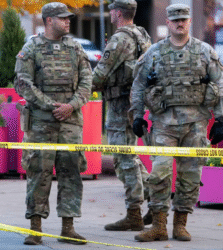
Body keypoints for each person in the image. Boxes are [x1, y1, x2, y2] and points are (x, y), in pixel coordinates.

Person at [130, 4, 223, 242]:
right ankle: (159, 225)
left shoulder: (205, 51)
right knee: (160, 173)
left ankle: (180, 224)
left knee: (190, 176)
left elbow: (220, 85)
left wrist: (221, 119)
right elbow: (139, 85)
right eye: (175, 20)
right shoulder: (154, 53)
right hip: (163, 123)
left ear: (189, 22)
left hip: (196, 124)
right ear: (169, 23)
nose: (179, 23)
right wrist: (138, 115)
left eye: (183, 19)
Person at [14, 2, 92, 246]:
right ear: (48, 20)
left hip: (70, 122)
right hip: (40, 122)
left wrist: (71, 105)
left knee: (71, 172)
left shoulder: (76, 48)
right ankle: (35, 228)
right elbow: (23, 83)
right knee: (39, 172)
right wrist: (50, 105)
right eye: (62, 18)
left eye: (68, 18)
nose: (68, 21)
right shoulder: (32, 48)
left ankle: (68, 228)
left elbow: (87, 80)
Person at [92, 0, 153, 232]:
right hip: (136, 105)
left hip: (120, 107)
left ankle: (134, 213)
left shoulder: (119, 39)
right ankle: (156, 199)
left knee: (123, 159)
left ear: (117, 13)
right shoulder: (142, 35)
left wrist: (76, 90)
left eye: (111, 12)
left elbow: (99, 76)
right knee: (131, 157)